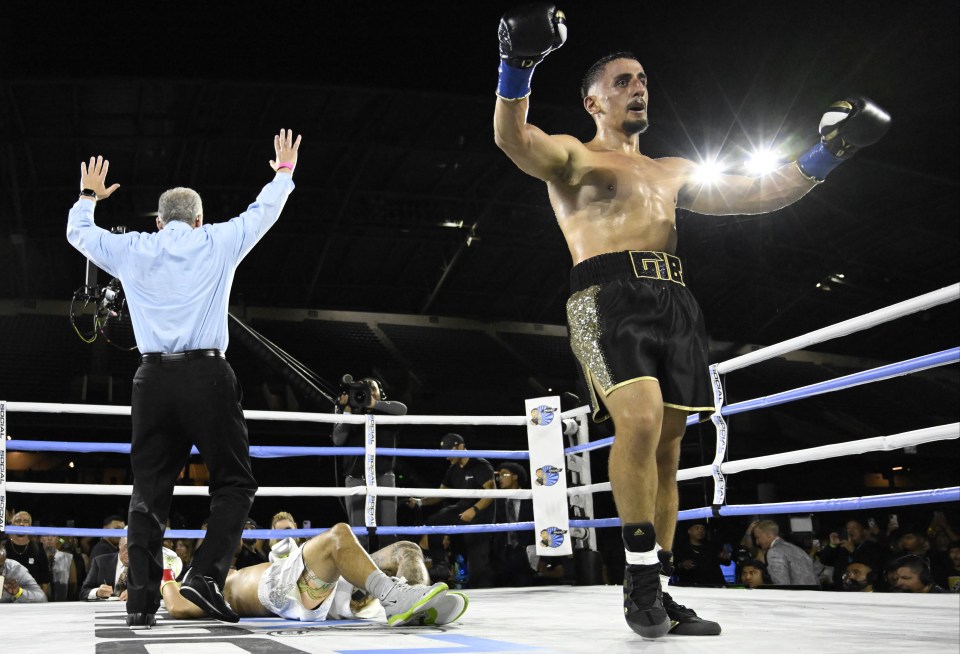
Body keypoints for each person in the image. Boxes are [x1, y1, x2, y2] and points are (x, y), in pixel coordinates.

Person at [492, 3, 890, 638]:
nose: (637, 88)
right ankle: (638, 582)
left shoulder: (673, 170)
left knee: (671, 449)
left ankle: (663, 588)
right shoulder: (576, 157)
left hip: (675, 300)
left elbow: (765, 192)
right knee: (642, 421)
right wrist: (516, 65)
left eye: (642, 79)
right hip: (605, 294)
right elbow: (514, 140)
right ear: (592, 101)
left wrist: (830, 151)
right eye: (621, 81)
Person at [65, 129, 302, 627]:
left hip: (151, 379)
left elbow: (79, 235)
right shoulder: (215, 239)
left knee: (148, 490)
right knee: (235, 482)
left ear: (158, 220)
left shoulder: (134, 248)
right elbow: (265, 212)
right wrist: (283, 171)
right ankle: (205, 576)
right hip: (207, 375)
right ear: (198, 219)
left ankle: (140, 603)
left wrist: (89, 196)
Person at [160, 523, 467, 626]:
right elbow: (177, 606)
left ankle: (412, 603)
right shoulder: (202, 581)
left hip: (312, 586)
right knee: (339, 536)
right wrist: (166, 575)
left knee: (407, 549)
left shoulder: (240, 566)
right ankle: (394, 597)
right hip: (285, 592)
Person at [407, 433, 496, 588]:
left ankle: (483, 591)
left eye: (449, 451)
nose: (447, 457)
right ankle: (440, 564)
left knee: (477, 560)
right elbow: (441, 494)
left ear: (461, 446)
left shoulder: (480, 464)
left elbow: (491, 493)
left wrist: (474, 509)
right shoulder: (453, 469)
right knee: (435, 521)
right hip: (462, 510)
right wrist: (420, 502)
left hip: (481, 514)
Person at [331, 376, 407, 547]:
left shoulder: (388, 412)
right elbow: (338, 439)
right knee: (358, 535)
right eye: (364, 389)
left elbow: (403, 409)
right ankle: (360, 573)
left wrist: (374, 405)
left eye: (373, 388)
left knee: (388, 531)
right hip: (356, 477)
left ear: (381, 393)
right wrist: (347, 410)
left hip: (384, 476)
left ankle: (387, 571)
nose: (368, 392)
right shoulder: (350, 412)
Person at [492, 461, 535, 586]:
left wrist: (544, 558)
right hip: (502, 553)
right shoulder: (495, 500)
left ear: (515, 476)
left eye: (504, 475)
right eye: (498, 476)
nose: (499, 479)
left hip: (526, 552)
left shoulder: (531, 497)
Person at [752, 520, 819, 587]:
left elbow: (781, 585)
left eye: (757, 537)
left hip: (795, 596)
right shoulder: (797, 549)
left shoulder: (775, 552)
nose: (756, 542)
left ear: (769, 535)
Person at [2, 510, 51, 597]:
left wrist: (42, 604)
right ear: (12, 525)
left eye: (25, 521)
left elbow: (45, 582)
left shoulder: (38, 549)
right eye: (18, 521)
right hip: (6, 599)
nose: (21, 524)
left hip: (31, 599)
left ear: (30, 526)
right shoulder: (3, 548)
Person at [672, 522, 728, 587]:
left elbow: (727, 562)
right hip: (689, 587)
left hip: (712, 586)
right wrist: (681, 565)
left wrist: (725, 557)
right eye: (697, 528)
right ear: (689, 531)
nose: (701, 531)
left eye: (703, 528)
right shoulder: (680, 549)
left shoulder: (713, 547)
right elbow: (672, 567)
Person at [80, 536, 130, 601]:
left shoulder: (145, 565)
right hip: (102, 609)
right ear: (120, 544)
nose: (129, 551)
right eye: (126, 546)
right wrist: (97, 592)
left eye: (134, 547)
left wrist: (137, 593)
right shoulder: (99, 562)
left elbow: (147, 589)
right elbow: (83, 592)